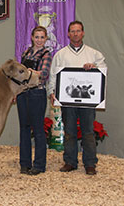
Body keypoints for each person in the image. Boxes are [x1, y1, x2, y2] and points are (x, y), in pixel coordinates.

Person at [47, 21, 107, 175]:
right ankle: (70, 161)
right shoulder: (60, 55)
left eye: (78, 31)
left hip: (87, 101)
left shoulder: (94, 54)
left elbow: (103, 71)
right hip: (67, 100)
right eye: (72, 31)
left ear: (83, 33)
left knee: (88, 131)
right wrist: (52, 91)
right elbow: (53, 75)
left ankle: (90, 163)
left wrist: (94, 67)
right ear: (68, 34)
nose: (75, 34)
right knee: (69, 131)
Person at [17, 26, 52, 175]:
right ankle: (25, 163)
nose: (39, 40)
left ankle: (39, 165)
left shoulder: (46, 54)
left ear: (45, 39)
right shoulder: (25, 53)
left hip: (37, 93)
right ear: (32, 37)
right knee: (24, 128)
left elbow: (43, 74)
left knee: (38, 129)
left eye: (42, 37)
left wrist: (28, 72)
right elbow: (19, 75)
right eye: (36, 37)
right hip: (23, 93)